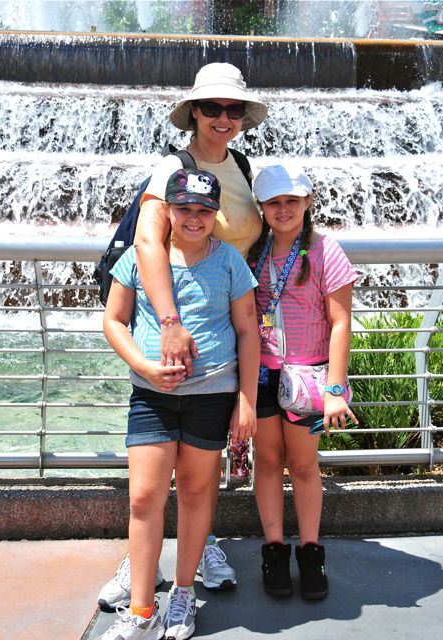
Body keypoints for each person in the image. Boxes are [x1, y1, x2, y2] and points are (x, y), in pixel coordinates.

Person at [98, 61, 268, 610]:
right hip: (171, 330)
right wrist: (169, 324)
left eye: (233, 109)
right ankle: (140, 564)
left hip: (224, 319)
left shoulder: (241, 167)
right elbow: (149, 244)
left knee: (198, 478)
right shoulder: (172, 168)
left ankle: (198, 553)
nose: (223, 117)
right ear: (193, 111)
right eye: (212, 107)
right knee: (149, 488)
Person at [248, 164, 358, 600]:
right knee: (267, 460)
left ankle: (311, 552)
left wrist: (335, 390)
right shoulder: (253, 254)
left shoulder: (326, 251)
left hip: (309, 378)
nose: (283, 209)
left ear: (308, 201)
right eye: (274, 202)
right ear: (261, 207)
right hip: (262, 373)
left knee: (304, 465)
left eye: (292, 200)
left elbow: (341, 321)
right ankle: (274, 550)